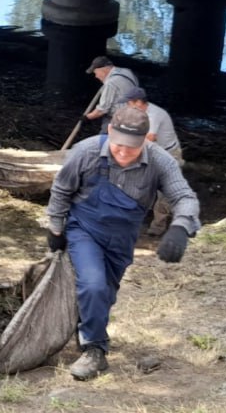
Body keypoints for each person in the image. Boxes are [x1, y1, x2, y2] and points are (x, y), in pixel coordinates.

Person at [45, 106, 200, 381]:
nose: (125, 154)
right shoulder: (86, 152)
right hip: (84, 229)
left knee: (105, 292)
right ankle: (95, 350)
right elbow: (61, 189)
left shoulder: (160, 161)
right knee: (92, 284)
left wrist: (180, 227)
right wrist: (56, 228)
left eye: (133, 148)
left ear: (146, 140)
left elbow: (184, 196)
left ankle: (87, 326)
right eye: (119, 147)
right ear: (109, 132)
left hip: (123, 237)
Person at [125, 88, 184, 236]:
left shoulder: (154, 115)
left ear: (138, 102)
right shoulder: (138, 113)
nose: (127, 106)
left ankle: (158, 227)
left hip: (168, 155)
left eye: (129, 103)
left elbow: (149, 138)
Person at [83, 56, 139, 131]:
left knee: (104, 139)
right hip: (134, 114)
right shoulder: (127, 71)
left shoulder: (111, 83)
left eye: (96, 73)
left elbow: (102, 110)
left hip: (118, 119)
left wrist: (87, 117)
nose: (96, 76)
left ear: (103, 70)